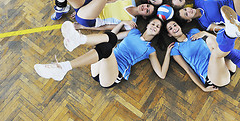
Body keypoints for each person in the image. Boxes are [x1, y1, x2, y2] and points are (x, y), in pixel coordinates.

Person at [34, 18, 174, 87]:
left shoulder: (150, 50)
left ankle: (79, 41)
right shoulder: (133, 32)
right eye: (153, 24)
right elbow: (112, 36)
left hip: (113, 76)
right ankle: (70, 56)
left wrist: (167, 53)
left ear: (158, 32)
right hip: (98, 65)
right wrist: (121, 23)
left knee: (107, 48)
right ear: (147, 25)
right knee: (108, 43)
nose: (155, 27)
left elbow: (161, 74)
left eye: (158, 27)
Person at [166, 6, 240, 92]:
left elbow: (218, 43)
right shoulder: (176, 48)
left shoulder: (194, 32)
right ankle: (231, 35)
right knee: (216, 52)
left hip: (225, 63)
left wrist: (205, 33)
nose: (174, 28)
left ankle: (232, 38)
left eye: (174, 25)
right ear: (169, 35)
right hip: (213, 77)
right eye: (170, 29)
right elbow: (188, 70)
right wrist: (203, 88)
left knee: (211, 41)